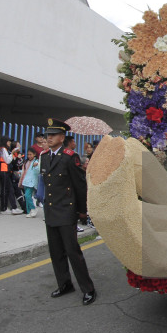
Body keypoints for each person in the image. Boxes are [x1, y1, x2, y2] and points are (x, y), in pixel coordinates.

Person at [40, 118, 96, 305]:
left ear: (62, 137)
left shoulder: (69, 157)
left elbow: (80, 186)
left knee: (73, 252)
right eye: (48, 135)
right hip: (51, 211)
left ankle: (88, 288)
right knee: (56, 252)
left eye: (53, 135)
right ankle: (64, 284)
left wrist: (82, 211)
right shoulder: (45, 156)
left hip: (66, 211)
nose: (49, 138)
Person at [0, 136, 22, 215]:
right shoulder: (3, 149)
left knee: (8, 189)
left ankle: (10, 207)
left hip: (6, 170)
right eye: (8, 141)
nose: (10, 143)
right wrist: (12, 153)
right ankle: (4, 208)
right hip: (3, 170)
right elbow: (7, 160)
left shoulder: (4, 149)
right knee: (5, 189)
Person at [20, 147, 41, 217]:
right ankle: (29, 211)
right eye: (28, 154)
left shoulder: (36, 162)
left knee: (27, 196)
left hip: (31, 182)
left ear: (34, 154)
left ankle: (33, 208)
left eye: (30, 154)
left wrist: (36, 166)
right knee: (26, 197)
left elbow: (38, 171)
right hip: (25, 181)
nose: (29, 156)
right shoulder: (26, 161)